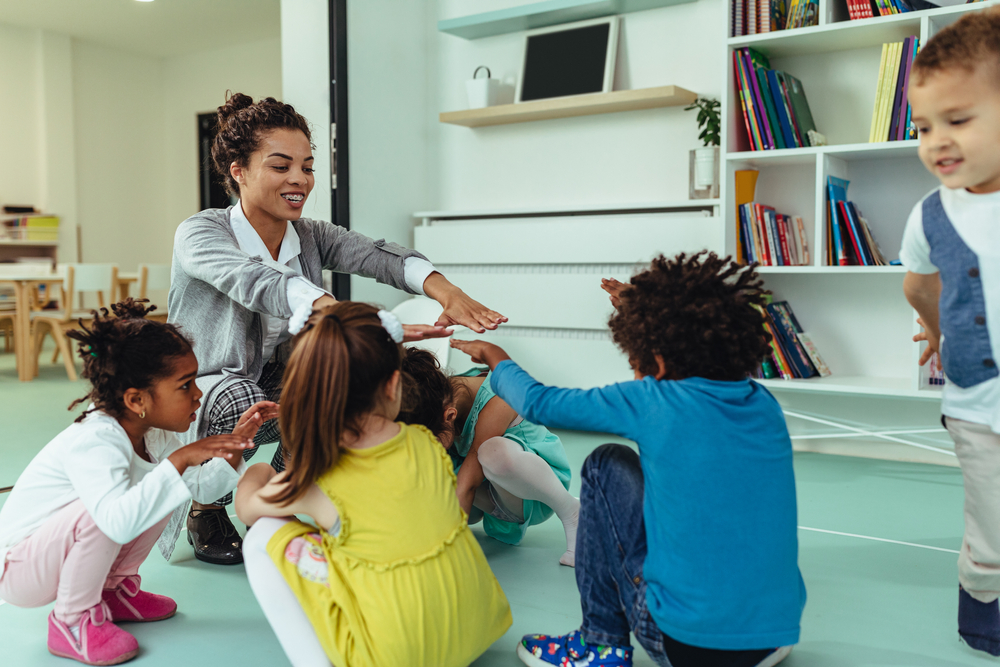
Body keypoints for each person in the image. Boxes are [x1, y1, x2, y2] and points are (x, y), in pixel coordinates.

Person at [167, 93, 507, 565]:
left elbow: (374, 254)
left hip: (273, 376)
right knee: (238, 398)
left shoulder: (308, 234)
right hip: (209, 386)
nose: (299, 180)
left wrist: (442, 290)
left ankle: (289, 493)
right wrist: (344, 316)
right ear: (238, 169)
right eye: (281, 166)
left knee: (336, 380)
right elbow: (255, 280)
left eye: (306, 167)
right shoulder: (200, 232)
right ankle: (206, 507)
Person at [450, 252, 805, 667]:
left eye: (636, 358)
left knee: (606, 463)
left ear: (655, 360)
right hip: (773, 637)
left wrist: (497, 360)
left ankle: (600, 643)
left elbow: (540, 402)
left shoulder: (655, 402)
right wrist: (645, 312)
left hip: (692, 650)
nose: (634, 370)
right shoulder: (761, 403)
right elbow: (689, 347)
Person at [234, 302, 512, 667]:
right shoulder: (424, 442)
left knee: (261, 537)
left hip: (397, 656)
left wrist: (256, 469)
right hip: (476, 628)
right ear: (394, 383)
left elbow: (247, 507)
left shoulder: (319, 474)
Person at [0, 300, 274, 666]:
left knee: (161, 487)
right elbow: (114, 522)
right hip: (21, 571)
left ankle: (113, 591)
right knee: (133, 497)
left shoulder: (154, 436)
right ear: (136, 399)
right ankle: (71, 620)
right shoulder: (96, 439)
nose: (198, 394)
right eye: (185, 385)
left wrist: (237, 446)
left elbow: (201, 490)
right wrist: (178, 462)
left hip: (56, 556)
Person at [901, 8, 1000, 656]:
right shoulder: (930, 211)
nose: (938, 140)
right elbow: (918, 283)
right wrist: (939, 334)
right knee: (992, 524)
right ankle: (984, 610)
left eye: (958, 120)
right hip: (977, 406)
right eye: (924, 125)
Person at [398, 348, 579, 566]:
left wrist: (448, 558)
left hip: (535, 495)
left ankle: (572, 511)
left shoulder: (499, 396)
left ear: (450, 416)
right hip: (491, 502)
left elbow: (467, 484)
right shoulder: (436, 396)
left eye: (429, 440)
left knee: (492, 452)